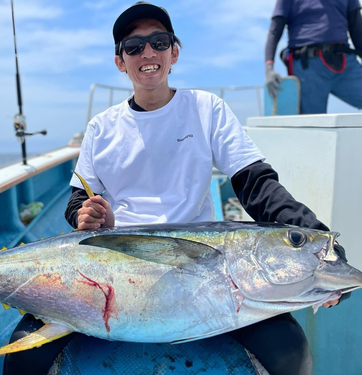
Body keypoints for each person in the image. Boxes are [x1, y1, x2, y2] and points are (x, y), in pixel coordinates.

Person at [64, 2, 349, 374]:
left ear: (174, 52)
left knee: (291, 351)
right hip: (119, 262)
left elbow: (256, 184)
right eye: (133, 46)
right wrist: (84, 214)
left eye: (158, 41)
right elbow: (76, 200)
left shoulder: (206, 108)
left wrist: (315, 240)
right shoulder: (101, 127)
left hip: (201, 264)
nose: (147, 53)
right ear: (121, 61)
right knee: (22, 355)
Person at [265, 0, 362, 114]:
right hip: (307, 67)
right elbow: (275, 30)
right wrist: (269, 68)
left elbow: (357, 30)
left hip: (346, 64)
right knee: (314, 125)